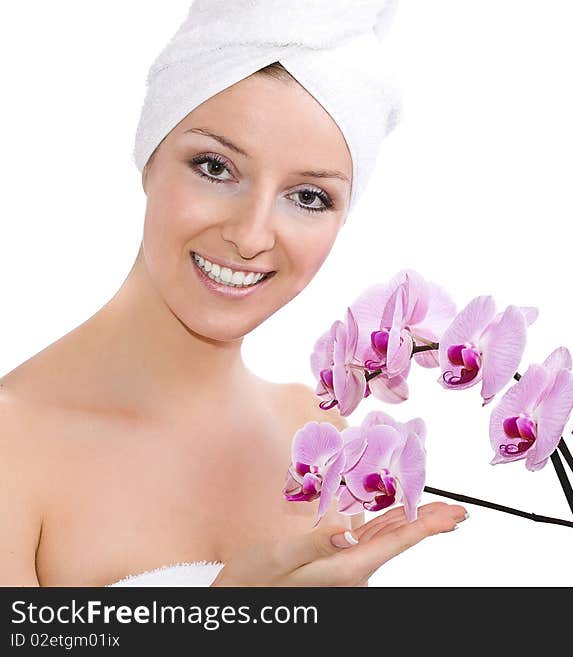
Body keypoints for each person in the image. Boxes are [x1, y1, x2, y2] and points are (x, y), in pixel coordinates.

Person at [0, 0, 466, 587]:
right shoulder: (12, 446)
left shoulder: (322, 444)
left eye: (309, 197)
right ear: (149, 156)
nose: (250, 236)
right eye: (215, 167)